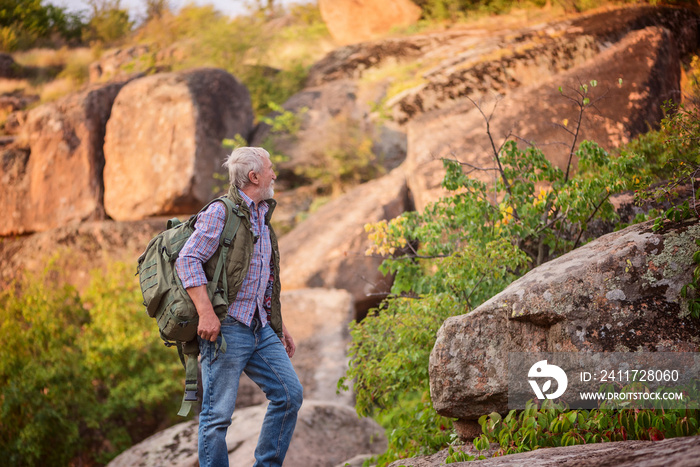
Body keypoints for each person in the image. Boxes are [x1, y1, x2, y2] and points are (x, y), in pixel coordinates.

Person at [175, 146, 303, 467]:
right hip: (227, 329)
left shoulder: (262, 214)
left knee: (289, 396)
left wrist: (279, 324)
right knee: (216, 417)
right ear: (254, 176)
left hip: (261, 327)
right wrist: (205, 312)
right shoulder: (221, 212)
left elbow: (263, 277)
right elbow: (188, 259)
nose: (274, 174)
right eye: (270, 168)